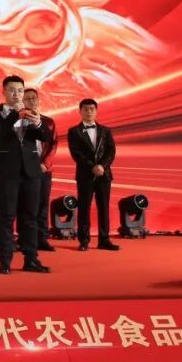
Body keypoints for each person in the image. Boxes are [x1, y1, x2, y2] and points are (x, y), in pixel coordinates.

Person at [0, 75, 53, 275]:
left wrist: (38, 124)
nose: (17, 94)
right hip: (7, 172)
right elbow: (0, 134)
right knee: (7, 217)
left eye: (20, 90)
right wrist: (16, 113)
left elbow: (46, 137)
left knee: (30, 217)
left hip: (31, 172)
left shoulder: (30, 113)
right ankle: (5, 261)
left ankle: (31, 259)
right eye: (12, 90)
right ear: (4, 92)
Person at [67, 99, 120, 252]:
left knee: (104, 207)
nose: (89, 111)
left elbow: (111, 151)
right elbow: (76, 153)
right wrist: (92, 166)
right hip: (85, 175)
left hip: (104, 174)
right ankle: (84, 240)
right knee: (84, 208)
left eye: (92, 109)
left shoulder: (105, 131)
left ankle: (104, 240)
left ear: (96, 111)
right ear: (80, 111)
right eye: (85, 109)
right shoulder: (74, 131)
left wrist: (102, 166)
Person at [22, 88, 57, 253]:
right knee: (25, 205)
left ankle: (42, 238)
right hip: (24, 169)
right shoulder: (19, 120)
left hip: (44, 169)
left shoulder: (48, 121)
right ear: (23, 101)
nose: (31, 101)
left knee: (43, 204)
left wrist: (45, 164)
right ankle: (24, 238)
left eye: (33, 98)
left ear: (38, 100)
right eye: (27, 98)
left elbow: (53, 144)